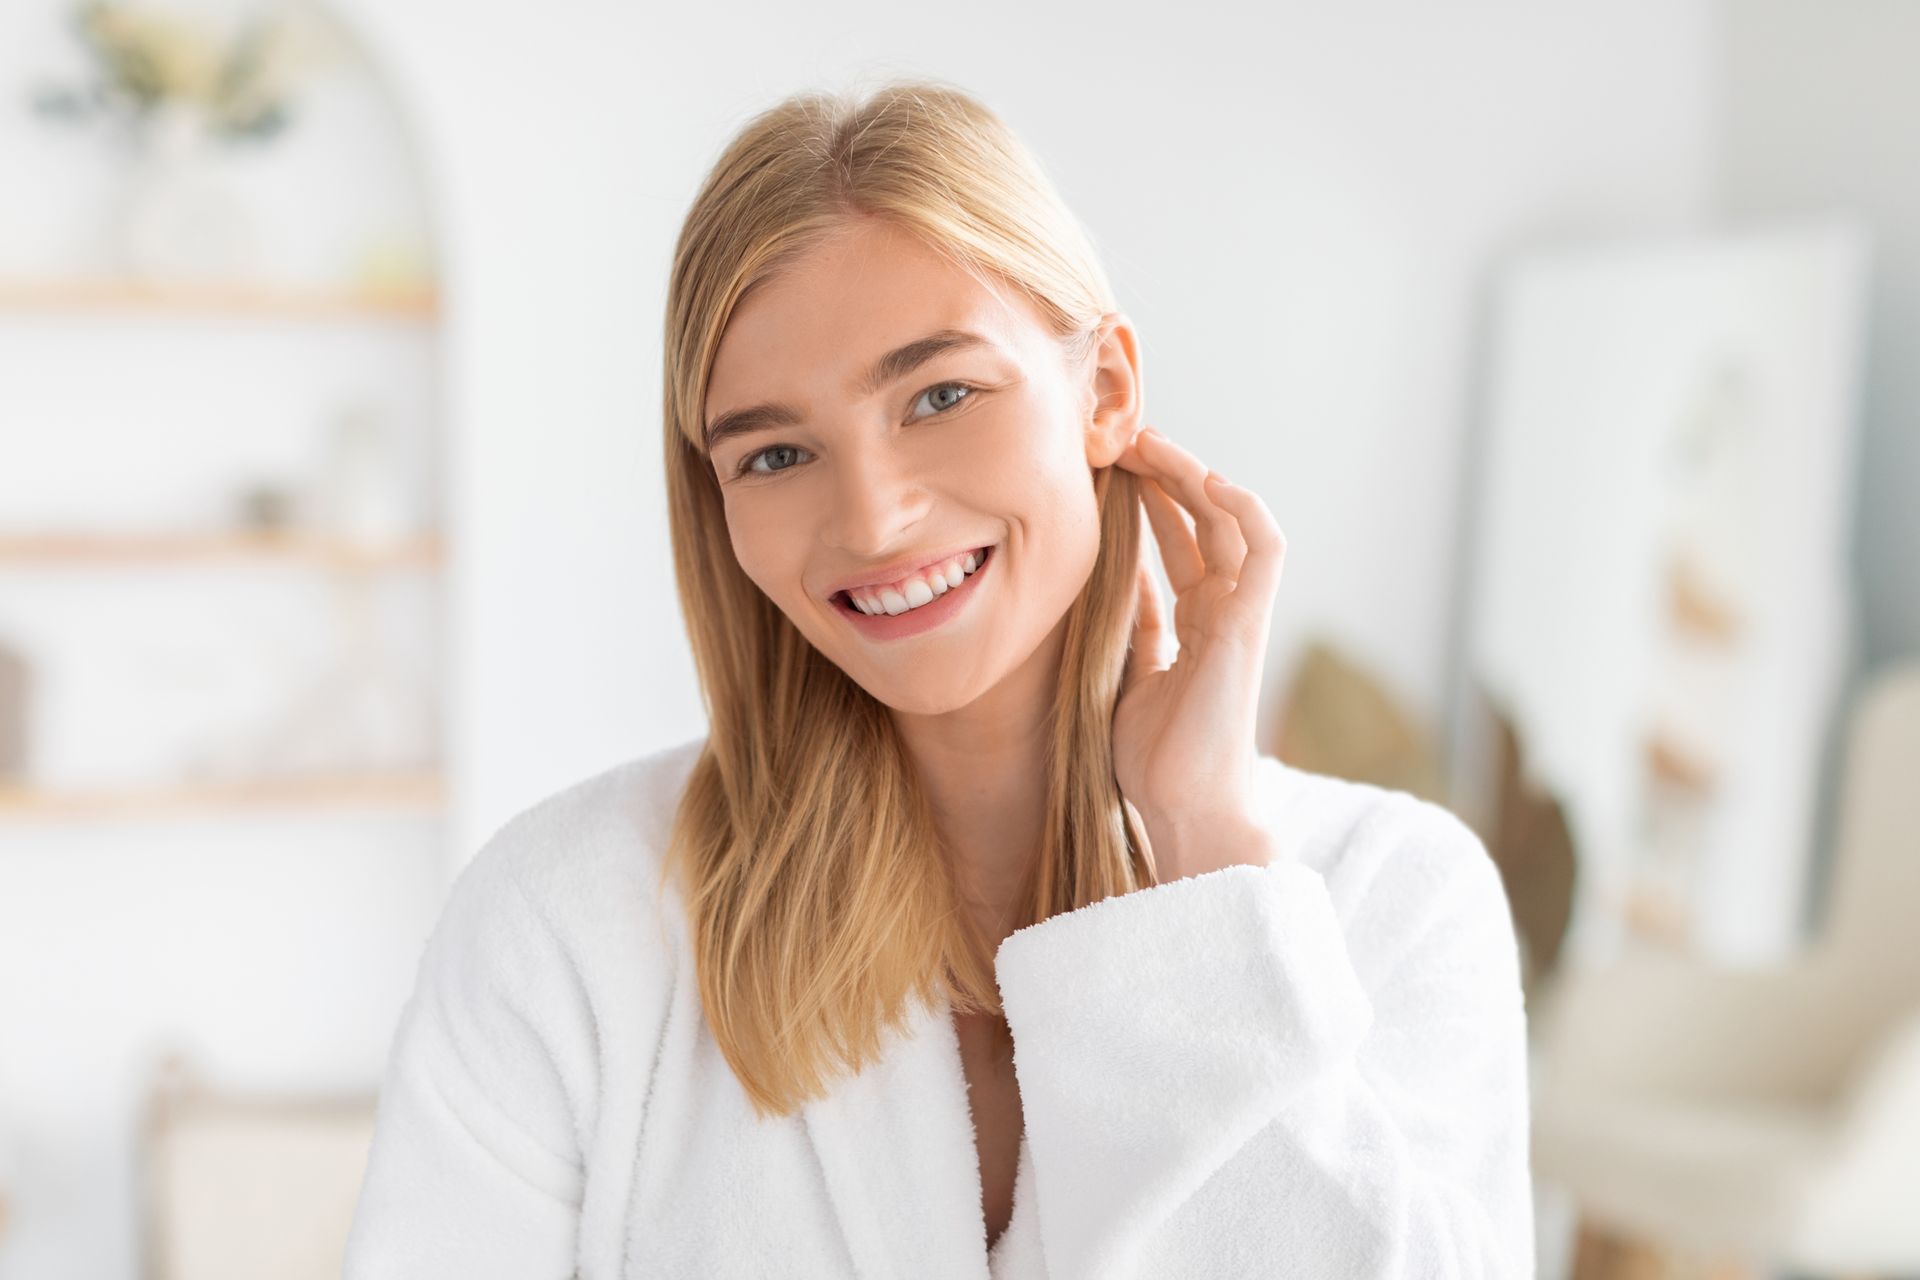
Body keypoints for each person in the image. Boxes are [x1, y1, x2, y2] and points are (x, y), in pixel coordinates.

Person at [345, 78, 1534, 1279]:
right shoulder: (563, 923)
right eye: (777, 452)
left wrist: (1205, 852)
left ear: (1106, 390)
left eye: (940, 395)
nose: (871, 518)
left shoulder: (1396, 897)